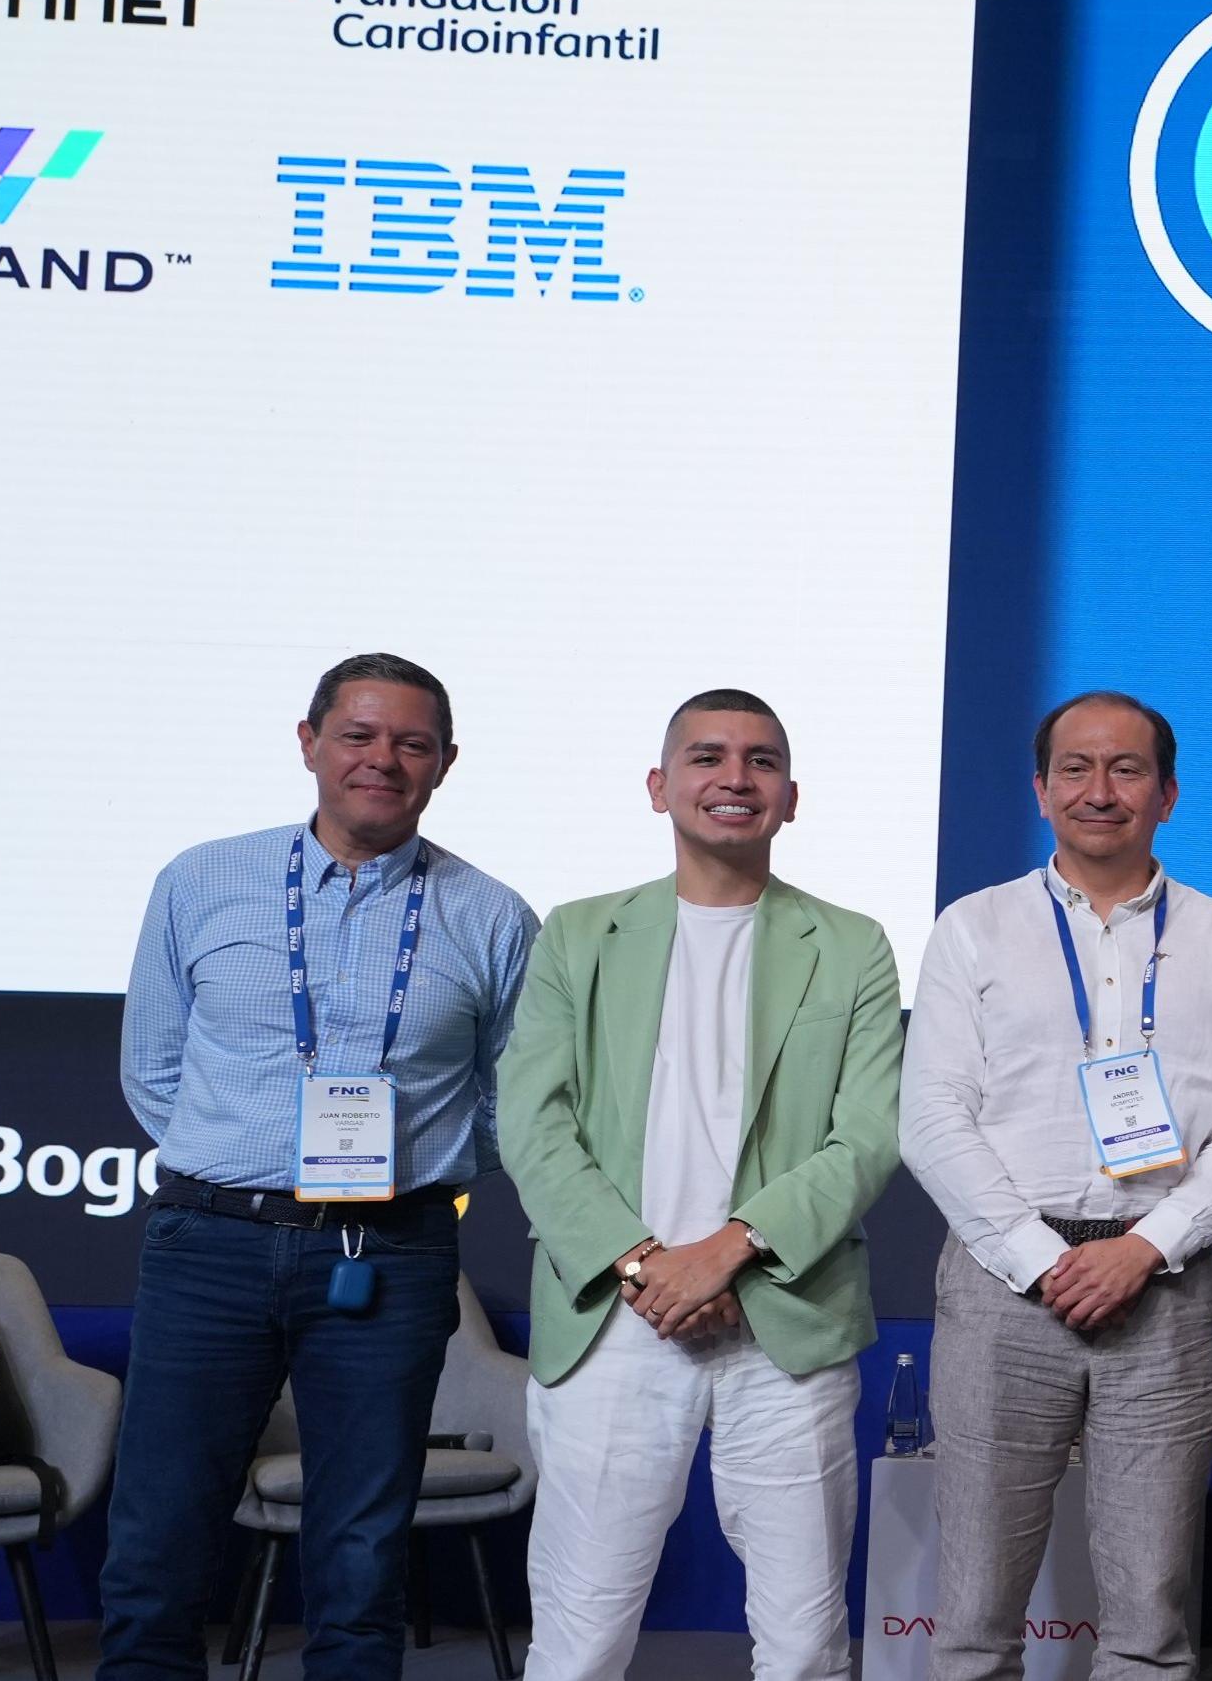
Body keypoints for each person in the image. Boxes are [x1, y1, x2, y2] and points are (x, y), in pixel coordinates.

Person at [104, 654, 539, 1681]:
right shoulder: (201, 880)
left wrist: (411, 1173)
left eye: (411, 743)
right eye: (358, 735)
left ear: (444, 764)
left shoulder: (492, 915)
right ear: (308, 742)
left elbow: (505, 1100)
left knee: (361, 1556)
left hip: (390, 1255)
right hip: (209, 1243)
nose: (382, 759)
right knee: (156, 1545)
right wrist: (246, 1170)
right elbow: (153, 1068)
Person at [498, 689, 909, 1681]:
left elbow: (866, 1136)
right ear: (660, 785)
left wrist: (725, 1251)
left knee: (807, 1641)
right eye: (708, 756)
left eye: (761, 760)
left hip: (782, 1317)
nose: (735, 777)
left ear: (791, 795)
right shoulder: (578, 934)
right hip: (614, 1320)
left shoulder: (851, 944)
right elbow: (531, 1118)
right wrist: (644, 1263)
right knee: (580, 1636)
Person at [902, 692, 1212, 1681]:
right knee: (975, 1607)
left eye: (1124, 769)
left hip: (1164, 1287)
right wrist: (1042, 1258)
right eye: (1075, 768)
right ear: (1040, 789)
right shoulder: (972, 929)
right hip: (1000, 1288)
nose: (1098, 790)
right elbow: (932, 1118)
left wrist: (1145, 1246)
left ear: (1168, 793)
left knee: (1150, 1614)